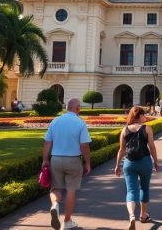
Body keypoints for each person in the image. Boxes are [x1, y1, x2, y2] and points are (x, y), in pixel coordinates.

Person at [42, 98, 92, 230]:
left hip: (56, 159)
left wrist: (45, 159)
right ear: (78, 108)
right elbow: (84, 145)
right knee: (71, 189)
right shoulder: (80, 123)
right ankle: (67, 221)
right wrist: (87, 163)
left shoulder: (55, 121)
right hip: (73, 160)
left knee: (55, 188)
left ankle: (54, 206)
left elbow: (47, 143)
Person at [115, 106, 159, 230]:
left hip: (129, 163)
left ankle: (131, 215)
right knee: (144, 188)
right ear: (139, 116)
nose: (145, 117)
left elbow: (122, 150)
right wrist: (156, 162)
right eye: (144, 115)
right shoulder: (147, 129)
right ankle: (143, 215)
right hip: (145, 161)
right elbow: (152, 147)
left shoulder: (125, 130)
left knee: (131, 191)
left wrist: (117, 165)